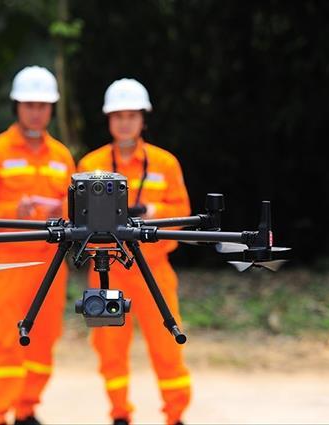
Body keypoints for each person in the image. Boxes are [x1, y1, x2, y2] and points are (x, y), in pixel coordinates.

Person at [77, 78, 192, 425]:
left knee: (167, 343)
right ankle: (119, 414)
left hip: (154, 268)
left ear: (143, 118)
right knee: (109, 347)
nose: (125, 122)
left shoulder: (165, 163)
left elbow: (183, 213)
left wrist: (156, 212)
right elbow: (78, 220)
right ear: (108, 120)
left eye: (131, 115)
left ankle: (175, 415)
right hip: (107, 268)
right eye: (118, 116)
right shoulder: (91, 164)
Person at [0, 66, 75, 425]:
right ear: (17, 106)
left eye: (42, 106)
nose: (36, 112)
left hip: (50, 265)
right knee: (5, 338)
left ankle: (27, 409)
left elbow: (78, 210)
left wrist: (64, 209)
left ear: (51, 109)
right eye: (30, 105)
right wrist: (14, 210)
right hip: (8, 264)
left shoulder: (62, 156)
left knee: (44, 337)